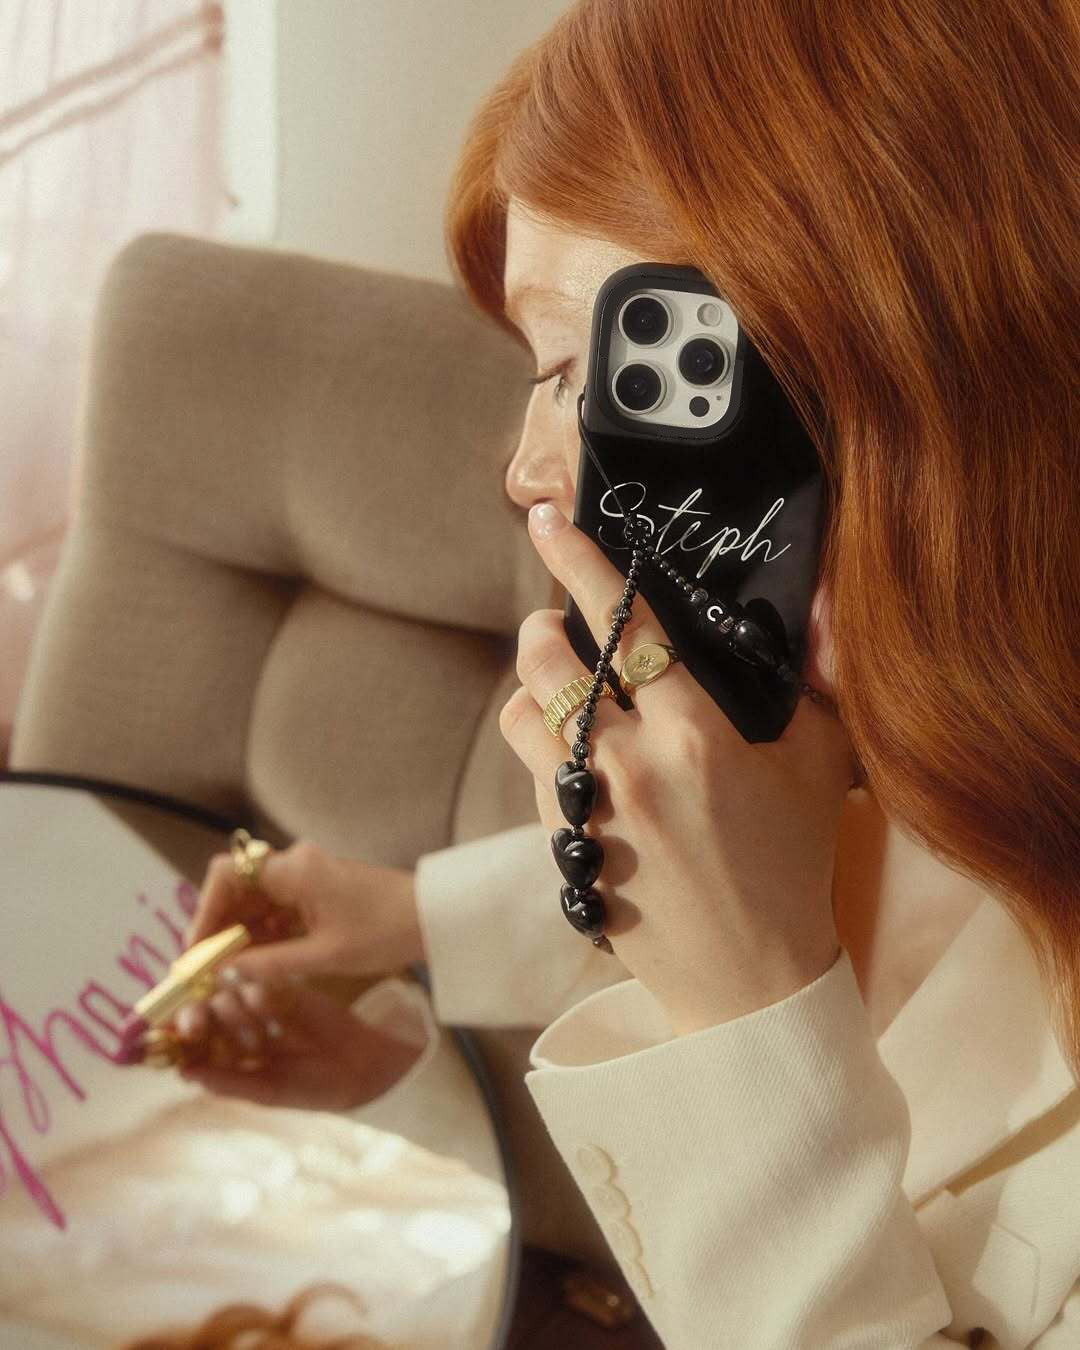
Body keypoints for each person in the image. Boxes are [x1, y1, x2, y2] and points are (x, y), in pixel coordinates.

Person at [165, 0, 1080, 1345]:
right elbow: (847, 876)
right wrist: (411, 923)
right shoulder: (930, 757)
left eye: (582, 373)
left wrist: (751, 1018)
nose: (525, 470)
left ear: (907, 385)